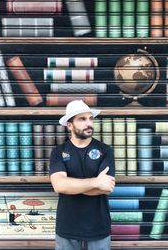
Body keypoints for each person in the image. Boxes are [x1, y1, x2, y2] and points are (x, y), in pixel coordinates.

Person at [49, 100, 115, 250]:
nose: (89, 123)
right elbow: (59, 185)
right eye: (82, 119)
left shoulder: (105, 150)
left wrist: (70, 185)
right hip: (67, 227)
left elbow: (106, 187)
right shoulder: (58, 152)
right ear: (69, 125)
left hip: (99, 227)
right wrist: (95, 182)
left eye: (90, 118)